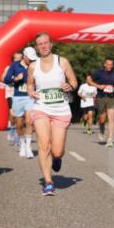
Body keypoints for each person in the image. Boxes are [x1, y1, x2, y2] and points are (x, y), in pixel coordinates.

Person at [27, 32, 78, 196]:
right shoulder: (33, 66)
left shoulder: (62, 62)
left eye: (45, 43)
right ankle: (48, 182)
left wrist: (70, 86)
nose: (43, 46)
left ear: (51, 44)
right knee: (43, 145)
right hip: (41, 108)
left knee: (57, 151)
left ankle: (57, 158)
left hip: (61, 110)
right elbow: (29, 85)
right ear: (37, 47)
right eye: (39, 44)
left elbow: (74, 82)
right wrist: (31, 92)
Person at [88, 58, 114, 146]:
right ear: (105, 64)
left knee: (111, 118)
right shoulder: (99, 73)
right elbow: (89, 81)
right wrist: (99, 86)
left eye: (111, 64)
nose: (110, 66)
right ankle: (102, 130)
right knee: (102, 119)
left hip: (112, 97)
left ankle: (110, 139)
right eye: (108, 64)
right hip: (101, 97)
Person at [3, 51, 27, 148]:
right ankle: (12, 130)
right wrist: (14, 78)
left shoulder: (25, 67)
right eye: (16, 58)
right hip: (11, 93)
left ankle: (18, 137)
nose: (18, 60)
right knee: (13, 115)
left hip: (21, 94)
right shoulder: (9, 68)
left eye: (20, 58)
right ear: (13, 59)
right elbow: (3, 79)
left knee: (21, 117)